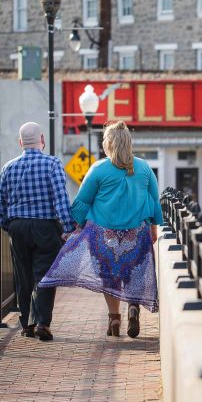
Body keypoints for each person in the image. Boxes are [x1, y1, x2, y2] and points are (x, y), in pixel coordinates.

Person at [39, 121, 163, 338]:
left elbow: (82, 202)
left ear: (108, 144)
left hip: (105, 236)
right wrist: (153, 228)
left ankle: (114, 318)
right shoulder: (144, 168)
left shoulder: (99, 169)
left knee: (109, 276)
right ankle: (133, 307)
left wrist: (74, 226)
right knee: (133, 272)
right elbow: (154, 200)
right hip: (137, 233)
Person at [0, 122, 75, 341]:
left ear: (20, 142)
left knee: (24, 276)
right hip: (45, 227)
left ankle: (26, 324)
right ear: (42, 139)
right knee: (45, 275)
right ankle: (42, 322)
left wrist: (7, 224)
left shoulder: (8, 167)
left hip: (18, 226)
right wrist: (68, 228)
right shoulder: (52, 164)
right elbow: (61, 198)